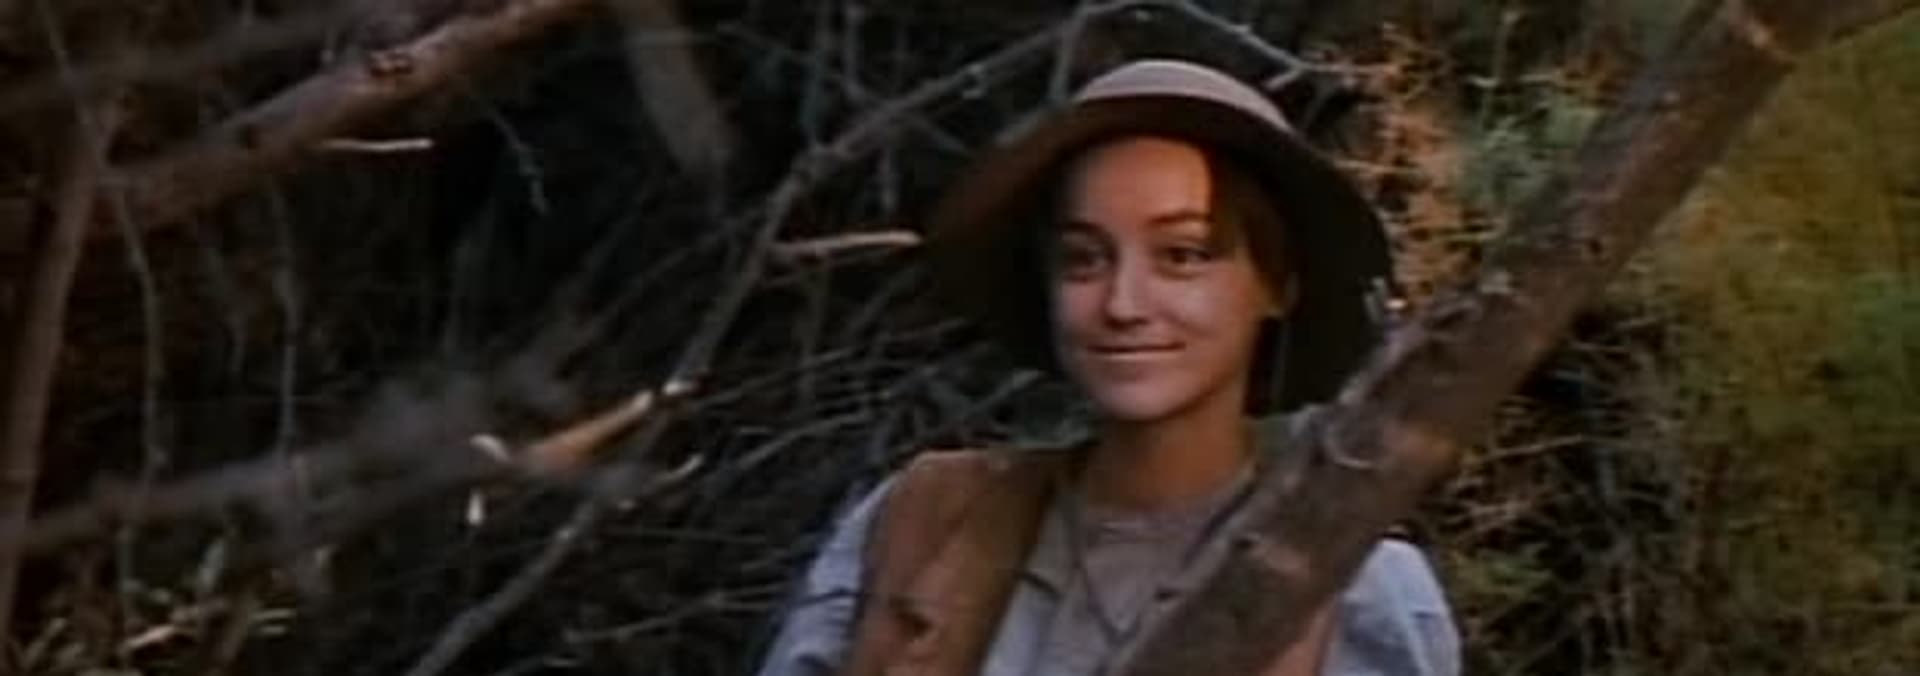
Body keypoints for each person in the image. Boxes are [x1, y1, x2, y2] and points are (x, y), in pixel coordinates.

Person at [755, 59, 1459, 676]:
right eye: (1084, 259)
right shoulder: (926, 518)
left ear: (1276, 284)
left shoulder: (1350, 583)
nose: (1123, 304)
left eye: (1182, 256)